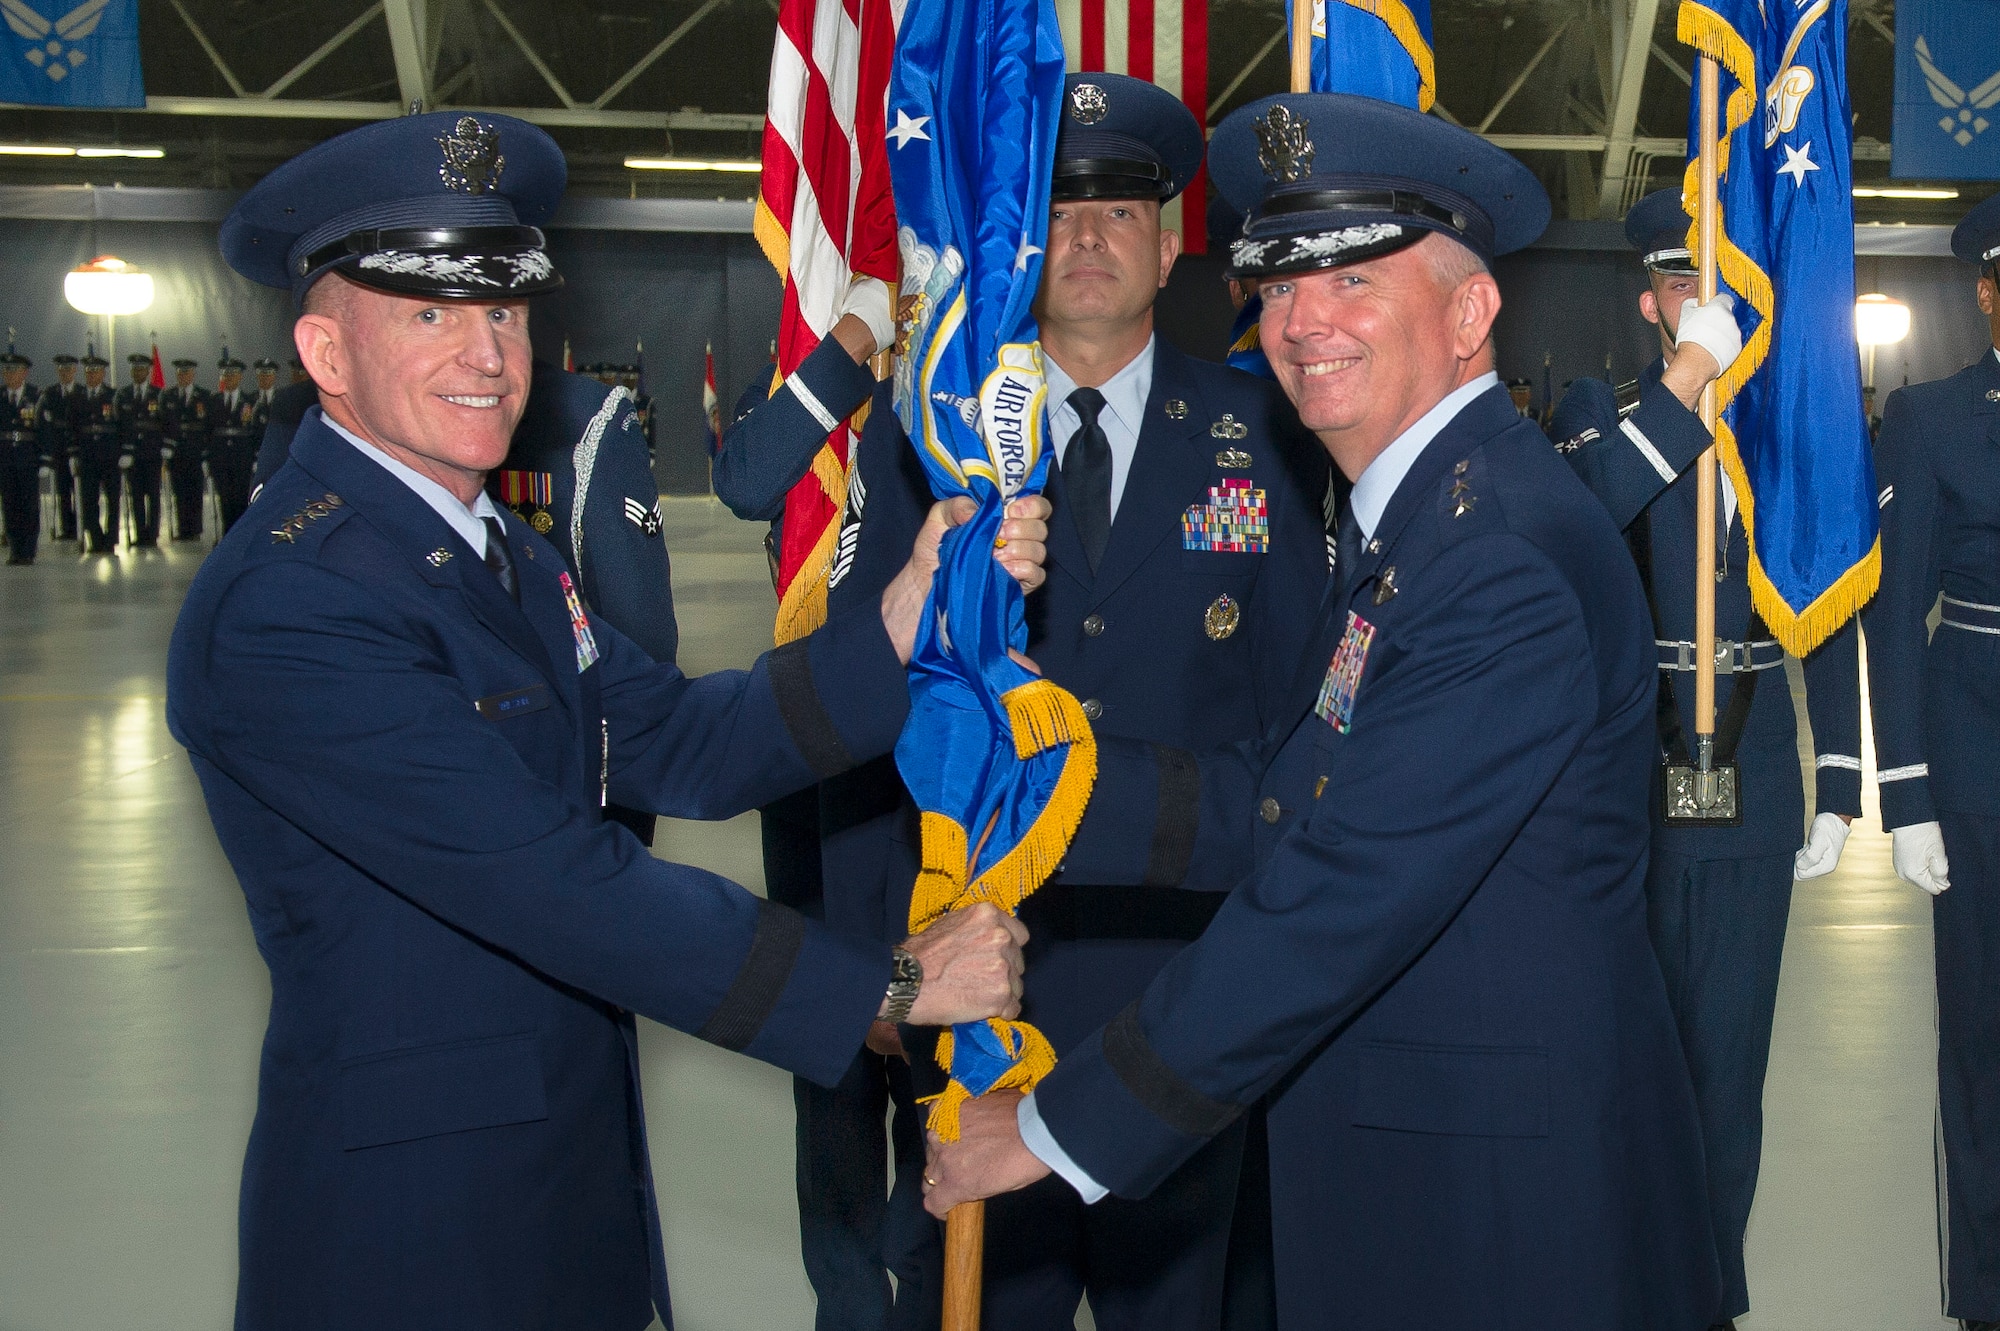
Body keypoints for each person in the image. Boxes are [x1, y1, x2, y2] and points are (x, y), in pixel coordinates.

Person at [180, 110, 1049, 1331]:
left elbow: (684, 739)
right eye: (429, 313)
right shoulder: (294, 602)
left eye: (504, 310)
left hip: (564, 1175)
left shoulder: (495, 556)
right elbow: (559, 882)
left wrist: (901, 619)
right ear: (324, 351)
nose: (486, 353)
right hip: (413, 1231)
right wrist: (890, 984)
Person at [922, 91, 1727, 1329]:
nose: (1300, 322)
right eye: (1280, 280)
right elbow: (1290, 797)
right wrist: (1045, 787)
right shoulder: (1423, 518)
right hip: (1427, 1171)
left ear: (1469, 311)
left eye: (1354, 281)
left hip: (1501, 1213)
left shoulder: (1493, 554)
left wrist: (1050, 1126)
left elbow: (1343, 886)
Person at [846, 73, 1331, 1331]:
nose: (1087, 235)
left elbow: (1294, 727)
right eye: (1058, 206)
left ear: (1170, 240)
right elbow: (859, 722)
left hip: (1184, 997)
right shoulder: (921, 439)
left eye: (1120, 205)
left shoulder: (1263, 434)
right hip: (979, 986)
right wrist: (882, 992)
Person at [1546, 188, 1861, 1330]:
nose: (1701, 301)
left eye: (1720, 282)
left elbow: (1826, 596)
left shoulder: (1782, 437)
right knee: (1625, 1062)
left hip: (1750, 779)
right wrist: (1684, 394)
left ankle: (1705, 1295)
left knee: (1728, 1067)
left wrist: (1839, 780)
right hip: (1624, 785)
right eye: (1682, 282)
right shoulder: (1599, 410)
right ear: (1647, 301)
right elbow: (1583, 516)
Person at [713, 263, 913, 1328]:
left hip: (930, 765)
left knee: (939, 1039)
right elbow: (746, 478)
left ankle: (929, 1289)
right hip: (805, 757)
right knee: (829, 1044)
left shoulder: (966, 385)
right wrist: (848, 346)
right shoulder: (801, 380)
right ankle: (847, 1302)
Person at [1863, 191, 2000, 1331]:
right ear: (1987, 293)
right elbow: (1891, 609)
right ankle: (1988, 1287)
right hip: (1977, 747)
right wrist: (1901, 791)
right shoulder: (1932, 416)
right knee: (1984, 1028)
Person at [71, 350, 125, 555]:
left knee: (113, 499)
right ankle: (94, 538)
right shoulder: (77, 398)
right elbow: (72, 427)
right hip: (87, 456)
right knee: (89, 500)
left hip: (110, 455)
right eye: (89, 372)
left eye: (96, 372)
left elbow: (123, 425)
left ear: (103, 374)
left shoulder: (113, 396)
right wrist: (74, 453)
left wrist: (124, 451)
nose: (92, 376)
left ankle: (110, 540)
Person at [116, 352, 166, 547]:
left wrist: (164, 446)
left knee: (153, 495)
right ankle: (139, 534)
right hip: (132, 453)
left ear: (148, 371)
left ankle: (152, 535)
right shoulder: (123, 395)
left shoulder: (158, 394)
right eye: (135, 369)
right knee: (135, 496)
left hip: (152, 452)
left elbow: (165, 423)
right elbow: (120, 424)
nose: (138, 372)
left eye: (142, 369)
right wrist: (123, 451)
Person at [0, 346, 44, 565]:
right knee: (10, 505)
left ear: (24, 372)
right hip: (6, 458)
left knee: (29, 505)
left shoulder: (36, 396)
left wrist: (45, 459)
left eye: (13, 370)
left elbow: (43, 431)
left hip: (28, 458)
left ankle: (28, 549)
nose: (8, 374)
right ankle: (15, 549)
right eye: (6, 370)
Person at [207, 351, 257, 532]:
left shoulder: (250, 401)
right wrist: (207, 457)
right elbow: (208, 430)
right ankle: (226, 535)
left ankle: (240, 535)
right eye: (226, 374)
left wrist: (255, 456)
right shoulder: (213, 401)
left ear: (240, 376)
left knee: (240, 498)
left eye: (233, 374)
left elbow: (255, 431)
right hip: (220, 457)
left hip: (242, 457)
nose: (229, 378)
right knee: (224, 499)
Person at [161, 358, 209, 541]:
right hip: (177, 452)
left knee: (195, 492)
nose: (183, 376)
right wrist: (167, 446)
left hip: (195, 451)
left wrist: (205, 452)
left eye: (186, 372)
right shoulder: (169, 396)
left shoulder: (203, 396)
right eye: (180, 373)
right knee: (179, 493)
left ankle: (195, 529)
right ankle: (183, 528)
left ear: (193, 374)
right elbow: (165, 423)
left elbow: (206, 426)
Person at [39, 351, 80, 541]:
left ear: (74, 371)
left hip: (78, 450)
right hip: (59, 450)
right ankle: (67, 528)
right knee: (63, 492)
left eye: (68, 369)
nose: (64, 373)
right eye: (61, 370)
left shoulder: (81, 392)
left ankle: (81, 525)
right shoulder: (49, 394)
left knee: (80, 490)